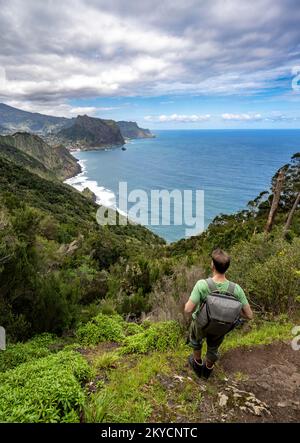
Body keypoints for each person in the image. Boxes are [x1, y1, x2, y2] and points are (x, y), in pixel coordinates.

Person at [184, 248, 253, 379]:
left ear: (212, 265)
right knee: (213, 348)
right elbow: (249, 315)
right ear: (227, 268)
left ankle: (197, 363)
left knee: (196, 339)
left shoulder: (202, 285)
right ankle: (207, 370)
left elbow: (188, 309)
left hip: (201, 324)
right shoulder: (236, 289)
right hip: (221, 327)